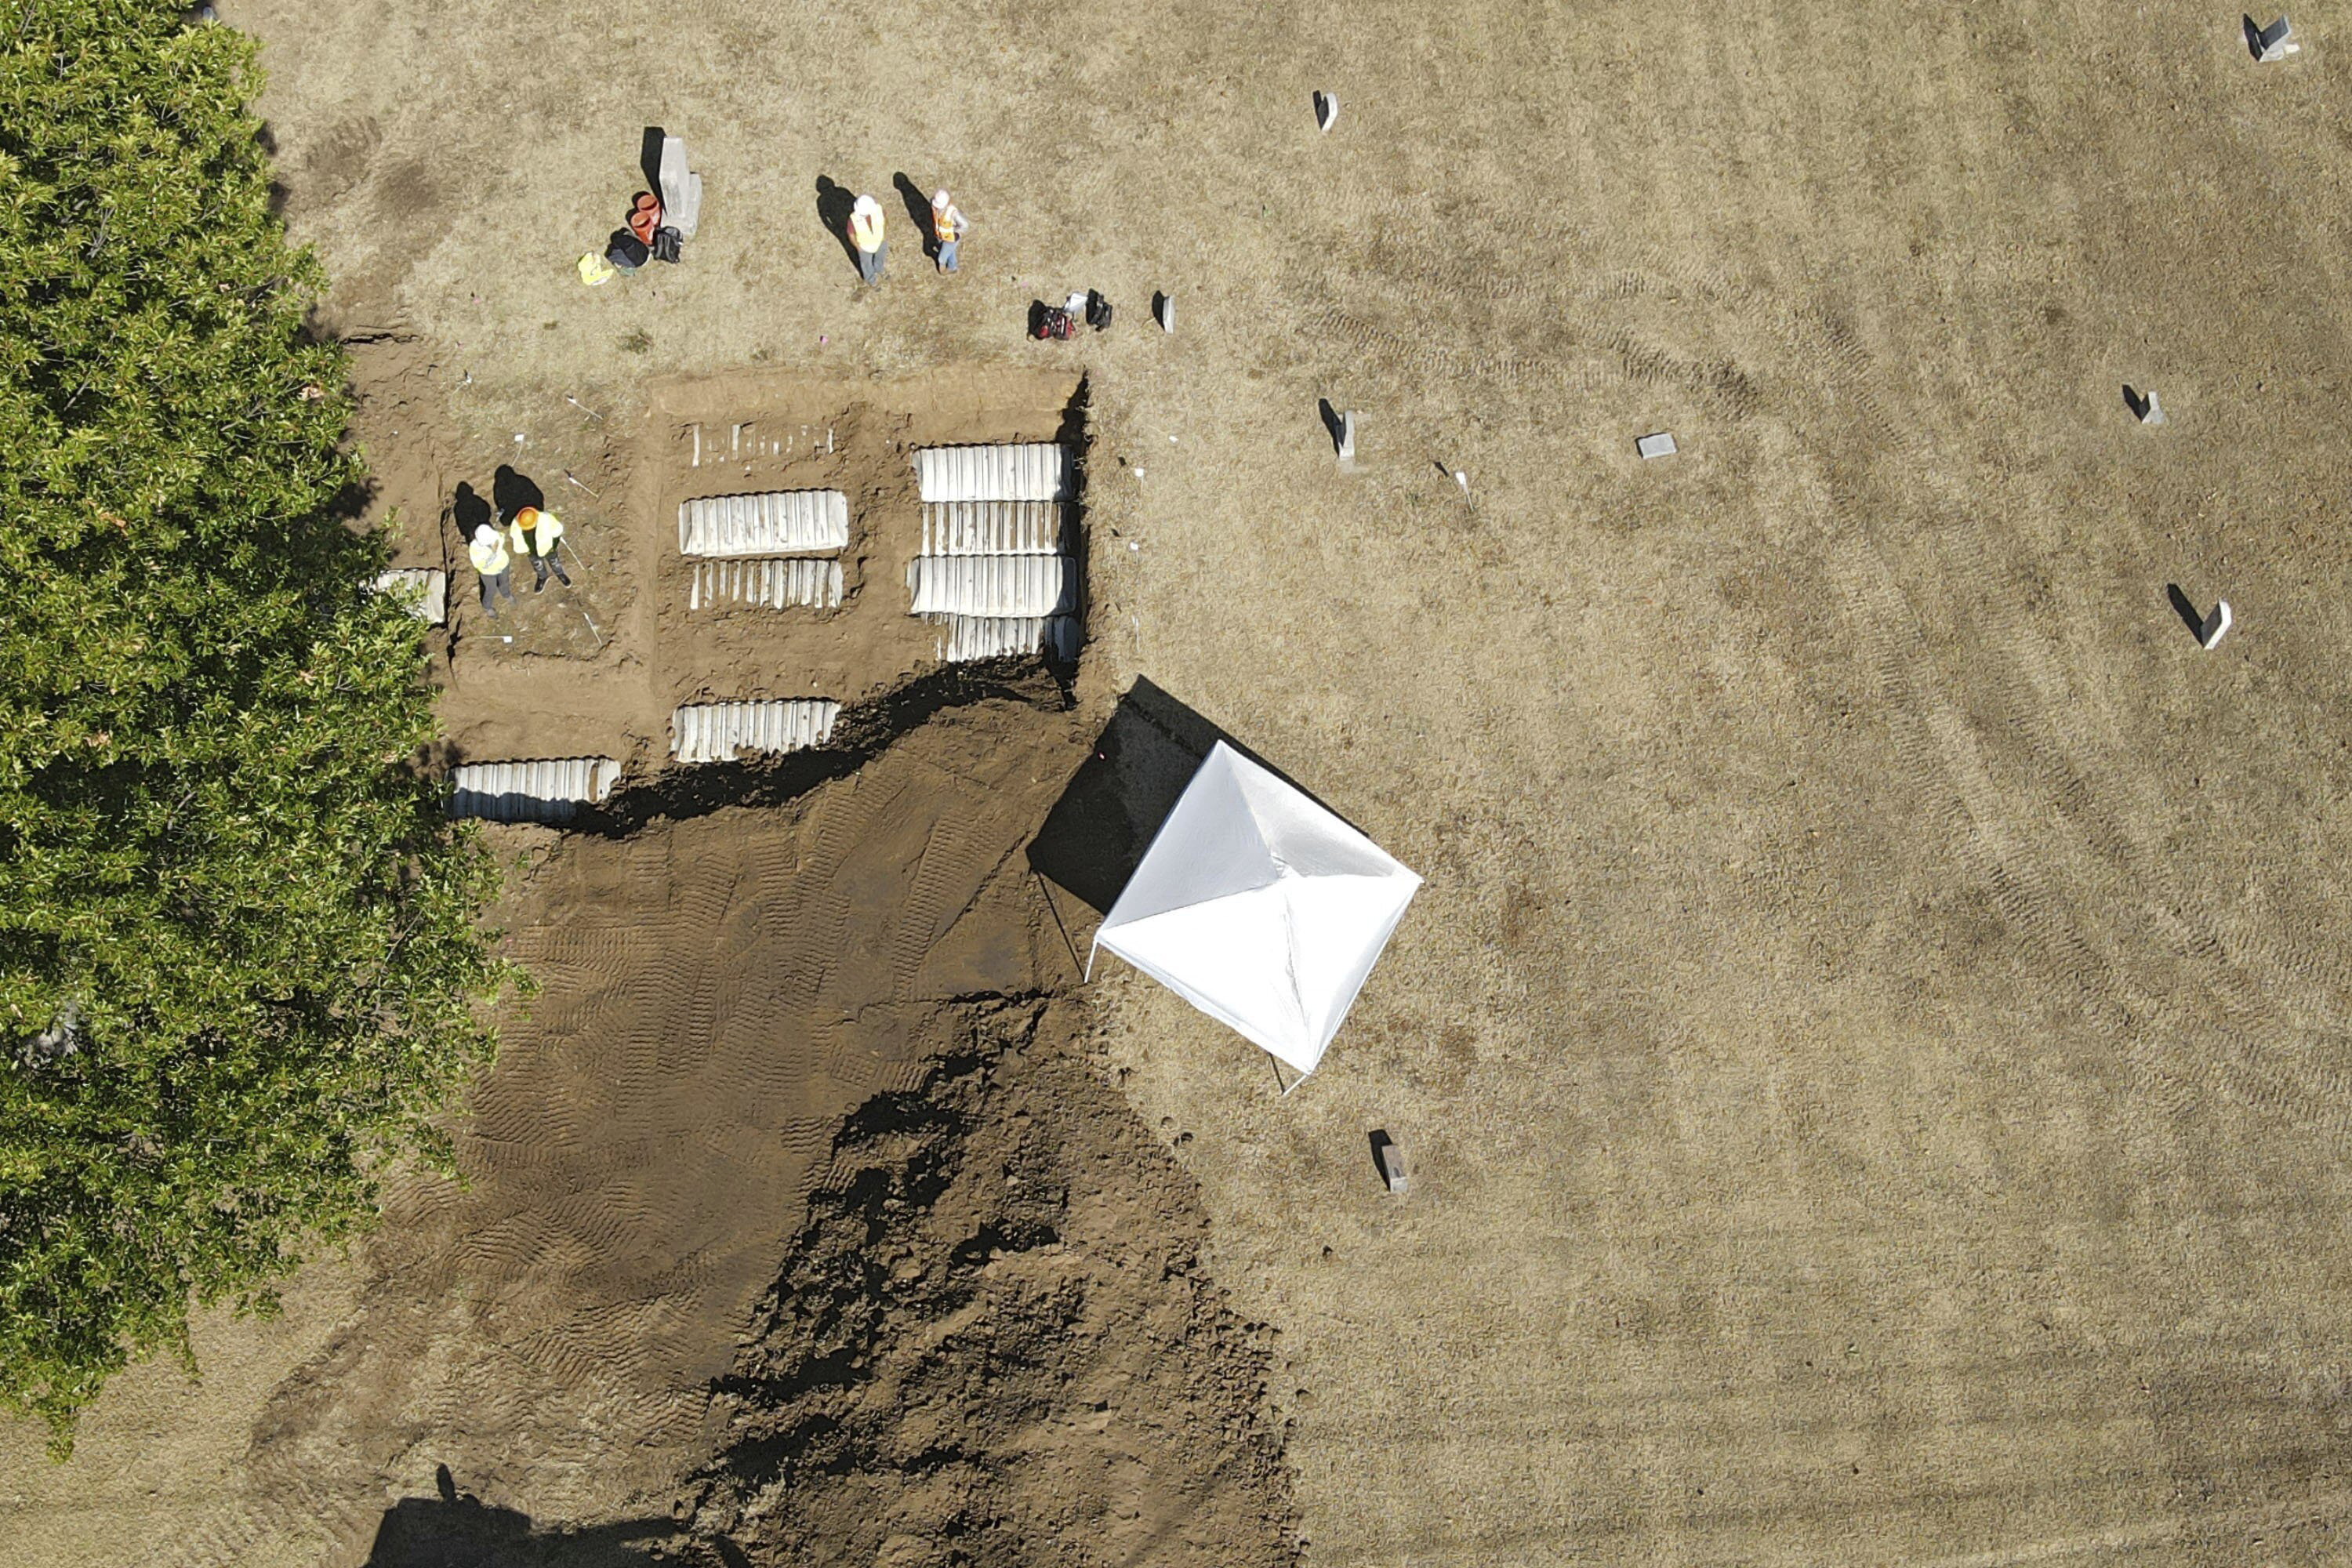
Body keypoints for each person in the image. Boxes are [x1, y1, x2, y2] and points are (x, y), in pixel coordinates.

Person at [507, 506, 571, 591]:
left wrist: (553, 546)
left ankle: (560, 573)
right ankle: (542, 577)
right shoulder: (516, 524)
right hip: (532, 551)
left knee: (555, 562)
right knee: (538, 565)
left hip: (548, 548)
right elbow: (517, 541)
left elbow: (557, 531)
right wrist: (527, 551)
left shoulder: (546, 518)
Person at [469, 523, 515, 616]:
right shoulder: (474, 548)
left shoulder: (495, 535)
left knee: (504, 581)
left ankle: (506, 594)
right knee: (491, 589)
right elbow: (480, 565)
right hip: (488, 573)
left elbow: (501, 538)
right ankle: (487, 606)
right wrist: (492, 553)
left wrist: (497, 546)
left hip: (503, 564)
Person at [849, 193, 886, 285]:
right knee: (867, 265)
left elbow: (884, 220)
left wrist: (884, 234)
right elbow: (851, 234)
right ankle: (871, 279)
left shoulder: (878, 209)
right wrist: (858, 246)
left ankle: (879, 269)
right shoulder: (853, 219)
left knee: (880, 257)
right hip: (865, 247)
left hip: (880, 241)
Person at [931, 189, 967, 274]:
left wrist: (957, 233)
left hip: (951, 238)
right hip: (943, 236)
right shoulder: (937, 209)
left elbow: (965, 225)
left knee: (942, 258)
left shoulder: (953, 213)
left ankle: (947, 270)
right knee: (950, 251)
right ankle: (952, 265)